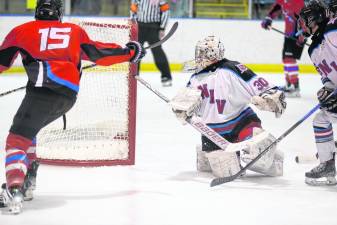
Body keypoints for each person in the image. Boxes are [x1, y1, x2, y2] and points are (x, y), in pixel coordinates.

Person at [0, 0, 145, 214]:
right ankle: (28, 182)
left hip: (41, 94)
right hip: (67, 97)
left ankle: (14, 189)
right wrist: (130, 52)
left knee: (16, 141)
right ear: (58, 13)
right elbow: (99, 53)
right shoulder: (73, 31)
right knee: (30, 133)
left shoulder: (20, 31)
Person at [169, 35, 286, 179]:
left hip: (241, 123)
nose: (198, 57)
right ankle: (208, 156)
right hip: (212, 133)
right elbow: (187, 104)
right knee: (228, 171)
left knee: (259, 150)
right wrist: (182, 109)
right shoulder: (195, 78)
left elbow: (257, 83)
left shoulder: (232, 68)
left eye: (202, 53)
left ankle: (274, 161)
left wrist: (270, 97)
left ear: (213, 54)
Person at [297, 0, 337, 186]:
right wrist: (327, 90)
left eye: (304, 21)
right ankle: (327, 164)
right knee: (321, 120)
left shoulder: (332, 32)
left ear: (314, 19)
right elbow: (326, 76)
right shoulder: (313, 49)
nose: (302, 25)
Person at [261, 0, 305, 98]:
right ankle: (289, 85)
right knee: (285, 59)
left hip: (297, 35)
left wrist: (302, 35)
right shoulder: (283, 1)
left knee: (290, 59)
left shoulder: (298, 2)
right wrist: (268, 19)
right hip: (288, 35)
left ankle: (295, 86)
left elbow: (303, 19)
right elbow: (276, 8)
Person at [130, 0, 172, 87]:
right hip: (139, 26)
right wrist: (132, 24)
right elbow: (133, 10)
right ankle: (134, 75)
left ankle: (166, 76)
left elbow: (166, 12)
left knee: (157, 52)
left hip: (153, 27)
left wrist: (162, 28)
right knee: (135, 51)